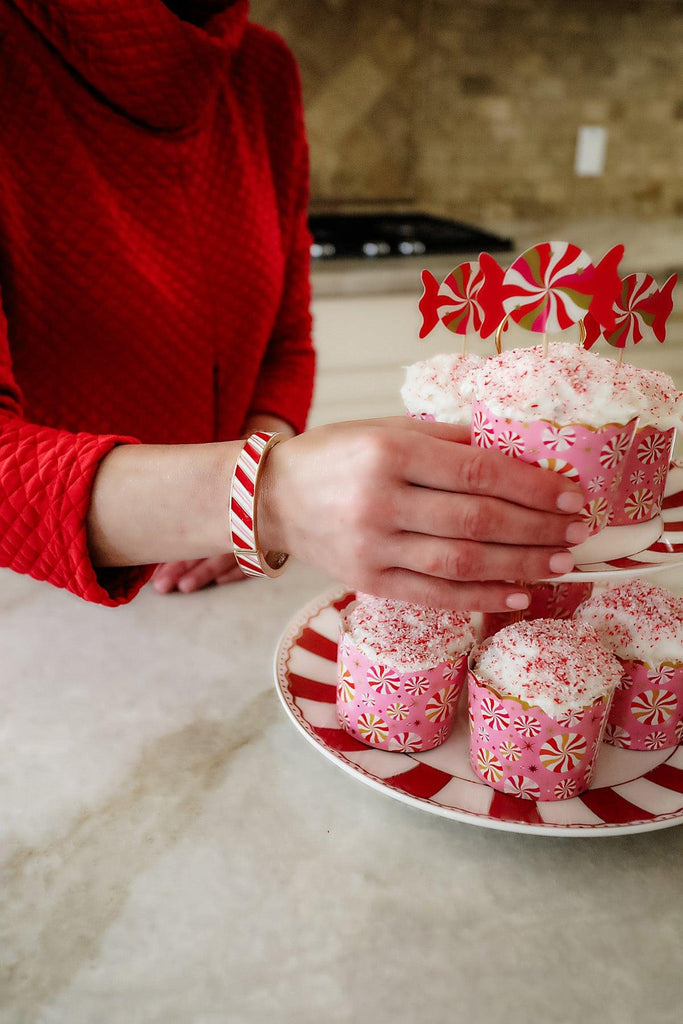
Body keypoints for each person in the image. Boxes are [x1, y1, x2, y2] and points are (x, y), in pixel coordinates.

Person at [0, 0, 589, 614]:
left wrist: (247, 499)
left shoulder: (261, 71)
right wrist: (265, 495)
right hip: (36, 610)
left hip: (225, 579)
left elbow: (285, 337)